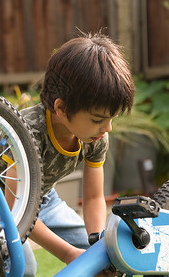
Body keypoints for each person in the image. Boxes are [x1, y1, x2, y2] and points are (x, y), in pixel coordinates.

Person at [9, 31, 135, 276]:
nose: (107, 128)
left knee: (108, 254)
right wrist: (68, 254)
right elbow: (16, 209)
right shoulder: (26, 131)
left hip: (42, 198)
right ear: (62, 109)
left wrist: (97, 243)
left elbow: (92, 198)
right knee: (23, 268)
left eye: (111, 119)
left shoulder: (96, 137)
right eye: (98, 119)